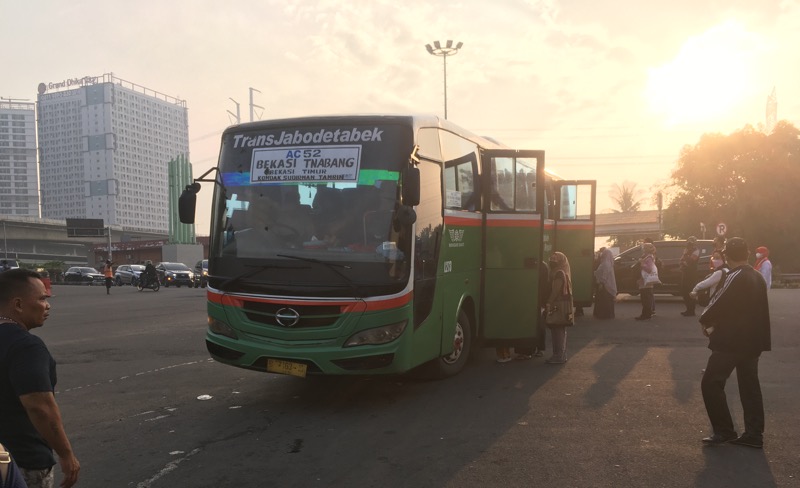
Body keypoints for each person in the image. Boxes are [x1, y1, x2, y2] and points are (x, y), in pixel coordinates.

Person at [0, 269, 80, 487]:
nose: (47, 305)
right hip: (19, 463)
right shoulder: (26, 347)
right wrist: (66, 454)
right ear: (18, 304)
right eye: (42, 298)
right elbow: (40, 408)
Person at [699, 237, 771, 448]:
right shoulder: (756, 276)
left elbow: (717, 302)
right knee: (750, 387)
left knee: (711, 383)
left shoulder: (735, 276)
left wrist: (705, 320)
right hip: (753, 341)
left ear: (728, 256)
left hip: (731, 341)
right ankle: (754, 434)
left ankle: (724, 430)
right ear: (748, 254)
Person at [545, 252, 573, 364]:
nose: (552, 261)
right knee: (559, 330)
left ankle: (559, 356)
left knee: (557, 330)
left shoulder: (559, 273)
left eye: (555, 259)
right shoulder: (560, 271)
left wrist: (549, 302)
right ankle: (559, 355)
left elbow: (556, 290)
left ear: (561, 261)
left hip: (558, 305)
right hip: (560, 305)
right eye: (551, 258)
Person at [635, 243, 659, 320]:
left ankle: (646, 314)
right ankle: (645, 314)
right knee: (644, 298)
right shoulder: (646, 257)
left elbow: (649, 269)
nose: (643, 249)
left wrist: (642, 264)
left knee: (646, 299)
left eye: (644, 248)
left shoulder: (649, 258)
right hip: (643, 280)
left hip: (646, 281)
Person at [679, 236, 700, 316]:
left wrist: (685, 258)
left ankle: (691, 310)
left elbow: (691, 260)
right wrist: (685, 257)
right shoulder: (686, 250)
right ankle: (688, 309)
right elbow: (681, 260)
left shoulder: (696, 250)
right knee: (684, 291)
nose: (690, 245)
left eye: (691, 243)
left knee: (690, 291)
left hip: (692, 273)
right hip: (685, 272)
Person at [593, 248, 617, 319]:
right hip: (606, 284)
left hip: (605, 285)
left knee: (605, 301)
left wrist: (601, 283)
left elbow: (604, 275)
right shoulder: (606, 263)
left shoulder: (606, 264)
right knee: (606, 300)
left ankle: (605, 315)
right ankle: (607, 315)